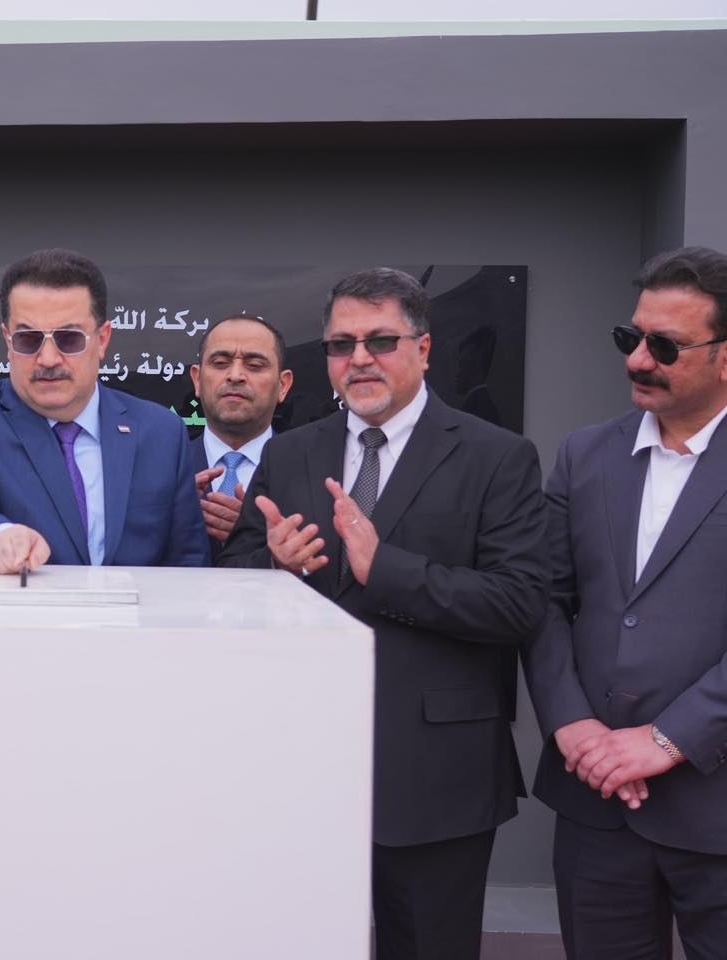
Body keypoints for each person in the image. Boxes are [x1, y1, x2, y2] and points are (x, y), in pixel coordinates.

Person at [218, 267, 548, 960]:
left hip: (437, 772)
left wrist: (386, 569)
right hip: (299, 765)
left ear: (422, 348)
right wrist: (274, 567)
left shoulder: (497, 456)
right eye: (341, 345)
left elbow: (518, 602)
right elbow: (234, 582)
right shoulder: (290, 451)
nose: (359, 358)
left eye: (380, 340)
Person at [524, 246, 727, 960]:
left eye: (664, 346)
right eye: (630, 338)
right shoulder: (584, 454)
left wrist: (668, 738)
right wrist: (573, 725)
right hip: (597, 803)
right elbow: (543, 599)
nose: (638, 360)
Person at [0, 248, 208, 572]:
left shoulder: (161, 432)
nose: (48, 359)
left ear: (102, 340)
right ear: (7, 340)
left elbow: (188, 561)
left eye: (69, 339)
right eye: (28, 339)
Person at [188, 314, 292, 562]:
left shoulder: (311, 473)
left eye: (254, 365)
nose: (235, 375)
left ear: (283, 385)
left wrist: (258, 538)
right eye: (220, 363)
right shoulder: (163, 468)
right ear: (197, 379)